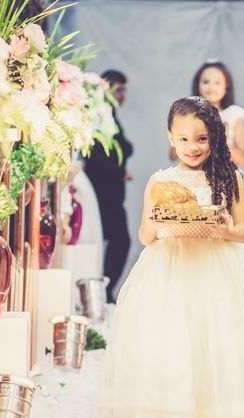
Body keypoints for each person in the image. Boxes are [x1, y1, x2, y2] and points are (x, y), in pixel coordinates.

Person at [97, 96, 244, 418]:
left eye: (202, 139)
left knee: (221, 345)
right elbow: (145, 234)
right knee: (172, 346)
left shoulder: (232, 178)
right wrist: (160, 223)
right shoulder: (160, 181)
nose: (192, 147)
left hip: (218, 269)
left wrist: (223, 227)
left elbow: (243, 232)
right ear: (170, 137)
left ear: (215, 138)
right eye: (183, 139)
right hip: (169, 270)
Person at [185, 61, 244, 286]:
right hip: (196, 181)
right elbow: (173, 152)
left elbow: (243, 157)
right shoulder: (187, 114)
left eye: (217, 82)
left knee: (237, 244)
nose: (211, 86)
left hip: (229, 183)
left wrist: (221, 137)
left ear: (227, 87)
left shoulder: (234, 115)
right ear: (198, 85)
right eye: (206, 81)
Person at [83, 69, 133, 302]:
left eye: (124, 90)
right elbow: (93, 154)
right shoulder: (97, 115)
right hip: (101, 188)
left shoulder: (110, 115)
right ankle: (101, 290)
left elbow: (122, 147)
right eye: (118, 89)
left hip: (111, 191)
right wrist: (119, 171)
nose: (122, 95)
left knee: (114, 240)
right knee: (115, 239)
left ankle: (104, 289)